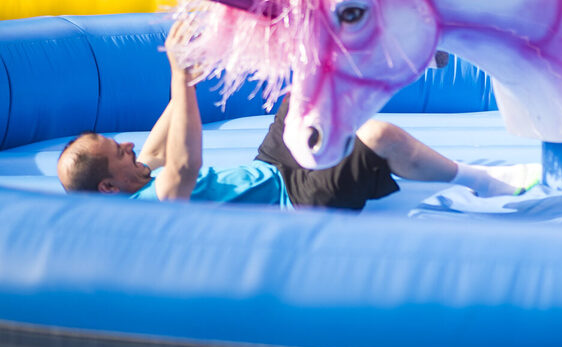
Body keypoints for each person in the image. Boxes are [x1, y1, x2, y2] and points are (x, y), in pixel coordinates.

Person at [56, 23, 536, 207]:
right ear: (107, 187)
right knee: (381, 136)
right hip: (294, 201)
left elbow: (164, 141)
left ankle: (413, 57)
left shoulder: (143, 174)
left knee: (309, 83)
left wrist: (193, 58)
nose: (127, 143)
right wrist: (181, 76)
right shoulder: (152, 204)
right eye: (115, 150)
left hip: (269, 167)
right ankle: (484, 180)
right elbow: (183, 166)